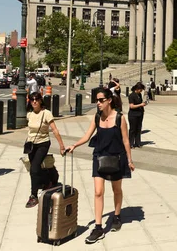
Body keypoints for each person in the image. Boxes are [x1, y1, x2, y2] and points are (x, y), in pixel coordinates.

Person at [68, 88, 134, 244]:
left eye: (101, 100)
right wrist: (74, 145)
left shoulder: (120, 118)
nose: (98, 103)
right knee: (98, 192)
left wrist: (130, 160)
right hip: (99, 157)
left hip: (116, 158)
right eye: (97, 100)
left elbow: (126, 141)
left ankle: (117, 216)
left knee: (116, 189)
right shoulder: (97, 117)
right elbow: (87, 135)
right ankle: (98, 227)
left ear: (109, 100)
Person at [24, 92, 66, 208]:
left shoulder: (46, 113)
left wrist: (61, 146)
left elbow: (55, 130)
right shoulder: (30, 114)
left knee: (34, 168)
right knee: (35, 169)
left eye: (36, 99)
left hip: (43, 143)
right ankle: (49, 178)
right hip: (31, 144)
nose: (34, 102)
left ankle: (33, 196)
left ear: (41, 100)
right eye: (32, 100)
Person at [127, 82, 146, 148]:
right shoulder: (132, 95)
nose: (141, 91)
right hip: (133, 114)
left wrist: (143, 104)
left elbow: (140, 102)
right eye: (141, 90)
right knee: (133, 129)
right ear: (137, 89)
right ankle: (130, 143)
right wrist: (140, 105)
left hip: (139, 114)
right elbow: (131, 106)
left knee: (138, 128)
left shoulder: (139, 95)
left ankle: (138, 142)